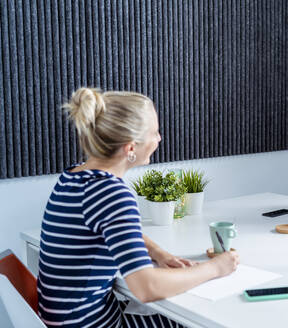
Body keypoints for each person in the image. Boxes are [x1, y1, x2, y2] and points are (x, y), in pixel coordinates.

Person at [37, 88, 240, 328]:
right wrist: (215, 268)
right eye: (154, 132)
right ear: (131, 148)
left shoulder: (75, 176)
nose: (159, 139)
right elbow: (146, 288)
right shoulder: (113, 194)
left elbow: (110, 228)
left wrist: (158, 252)